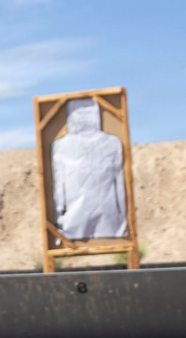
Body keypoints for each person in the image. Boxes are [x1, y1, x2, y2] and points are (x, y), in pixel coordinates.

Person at [51, 98, 128, 240]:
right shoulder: (113, 143)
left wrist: (60, 218)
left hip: (91, 218)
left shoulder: (61, 146)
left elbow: (120, 186)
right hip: (104, 218)